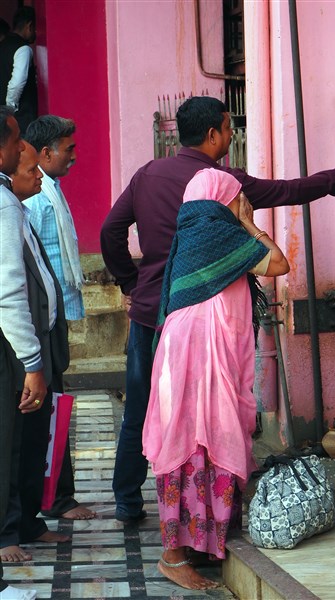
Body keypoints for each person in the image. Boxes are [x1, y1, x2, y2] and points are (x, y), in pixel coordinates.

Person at [100, 95, 335, 523]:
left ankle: (128, 501)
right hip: (206, 319)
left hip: (153, 312)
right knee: (210, 418)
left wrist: (131, 283)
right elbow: (288, 191)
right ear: (212, 134)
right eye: (229, 129)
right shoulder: (224, 184)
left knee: (141, 409)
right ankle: (207, 509)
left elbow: (110, 230)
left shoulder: (148, 174)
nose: (231, 136)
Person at [143, 168, 290, 590]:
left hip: (187, 353)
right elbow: (279, 263)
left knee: (193, 440)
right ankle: (173, 557)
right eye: (238, 197)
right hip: (199, 354)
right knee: (198, 440)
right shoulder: (223, 235)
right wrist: (248, 223)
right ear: (222, 201)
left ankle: (198, 543)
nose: (243, 202)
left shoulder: (190, 235)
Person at [0, 106, 64, 599]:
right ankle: (6, 532)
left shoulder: (10, 201)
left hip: (28, 340)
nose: (22, 148)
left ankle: (24, 522)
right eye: (16, 140)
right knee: (9, 440)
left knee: (25, 436)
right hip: (13, 345)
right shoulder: (4, 205)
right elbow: (9, 291)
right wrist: (31, 360)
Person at [23, 115, 95, 521]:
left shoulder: (51, 190)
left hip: (54, 317)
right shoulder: (34, 198)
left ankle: (57, 496)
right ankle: (55, 499)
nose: (74, 157)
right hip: (40, 323)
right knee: (46, 407)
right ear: (46, 153)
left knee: (55, 404)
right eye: (68, 149)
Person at [0, 7, 37, 134]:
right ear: (29, 26)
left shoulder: (3, 45)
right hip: (21, 118)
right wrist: (10, 108)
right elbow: (17, 83)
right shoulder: (23, 49)